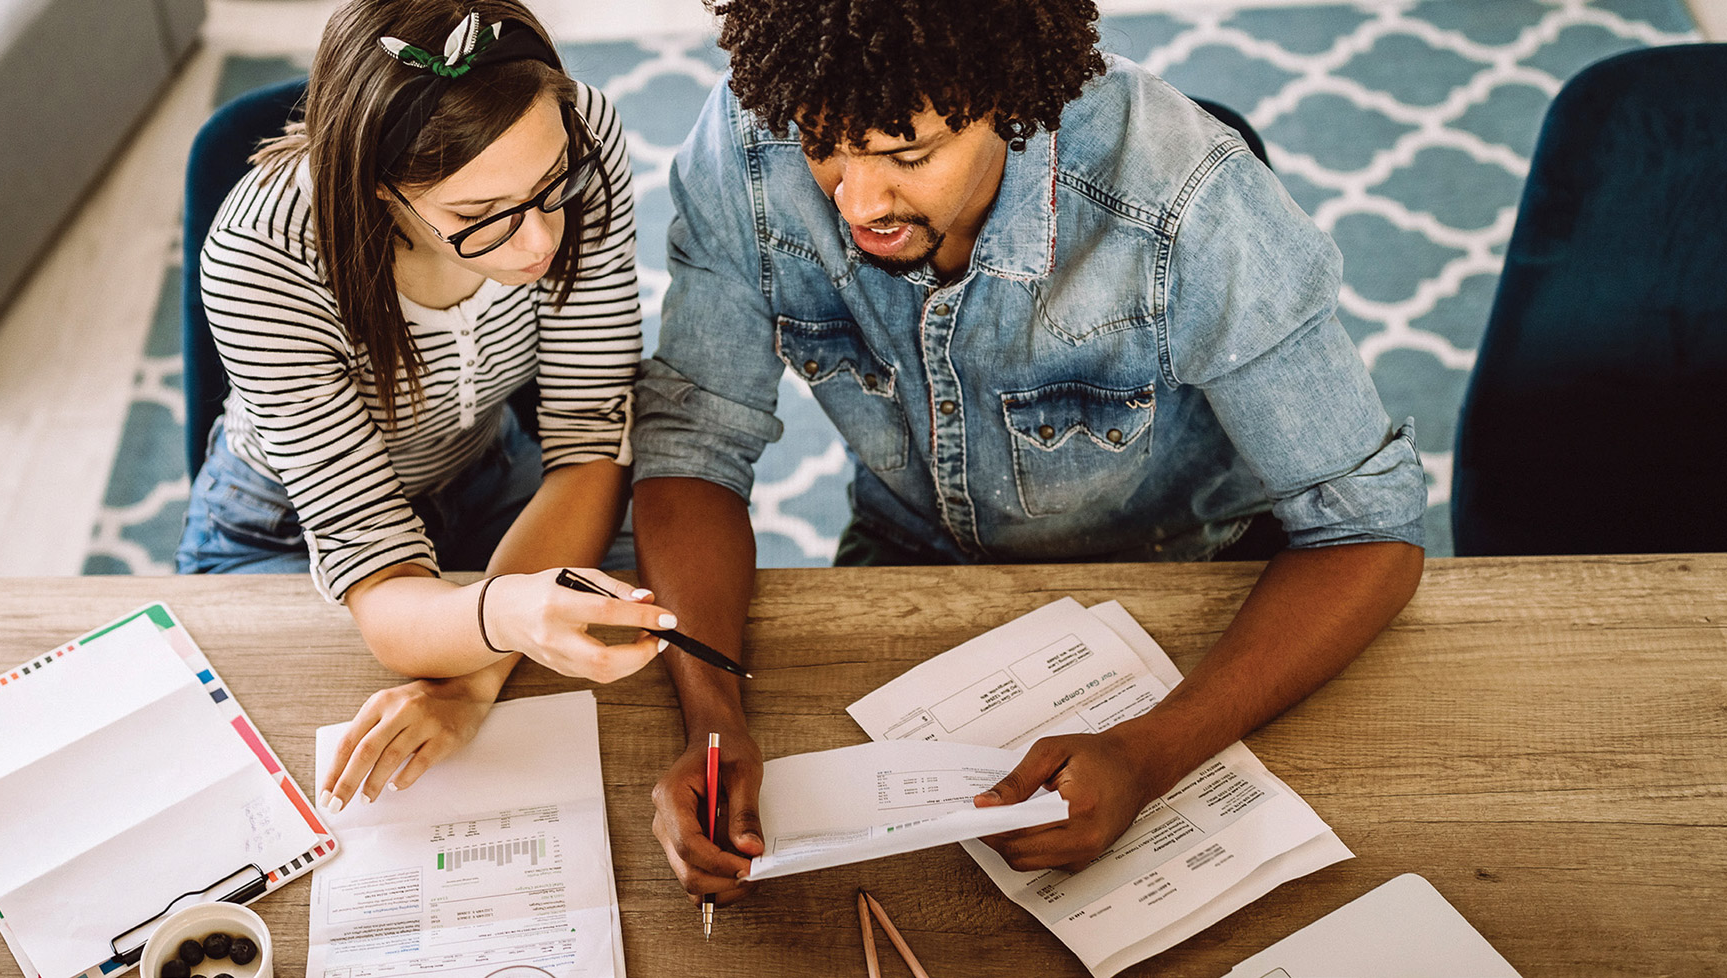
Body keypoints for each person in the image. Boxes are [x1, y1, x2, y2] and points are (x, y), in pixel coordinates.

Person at [632, 0, 1428, 904]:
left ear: (1010, 96)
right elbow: (692, 445)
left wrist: (1148, 753)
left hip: (1188, 578)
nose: (857, 204)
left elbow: (1370, 531)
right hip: (905, 557)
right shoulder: (748, 140)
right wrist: (712, 721)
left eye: (907, 155)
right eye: (825, 147)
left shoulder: (1190, 202)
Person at [176, 0, 669, 812]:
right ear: (377, 190)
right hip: (282, 528)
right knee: (272, 787)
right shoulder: (259, 256)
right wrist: (508, 619)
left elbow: (588, 443)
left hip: (494, 470)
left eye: (553, 189)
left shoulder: (583, 133)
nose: (541, 242)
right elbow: (381, 578)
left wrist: (473, 683)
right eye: (480, 218)